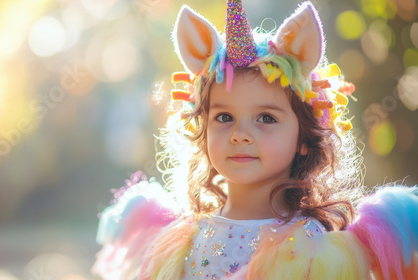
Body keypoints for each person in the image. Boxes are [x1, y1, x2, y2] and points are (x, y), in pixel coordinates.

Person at [92, 1, 418, 279]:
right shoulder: (179, 241)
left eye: (266, 118)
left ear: (305, 137)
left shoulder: (320, 249)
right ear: (203, 129)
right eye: (224, 117)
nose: (240, 134)